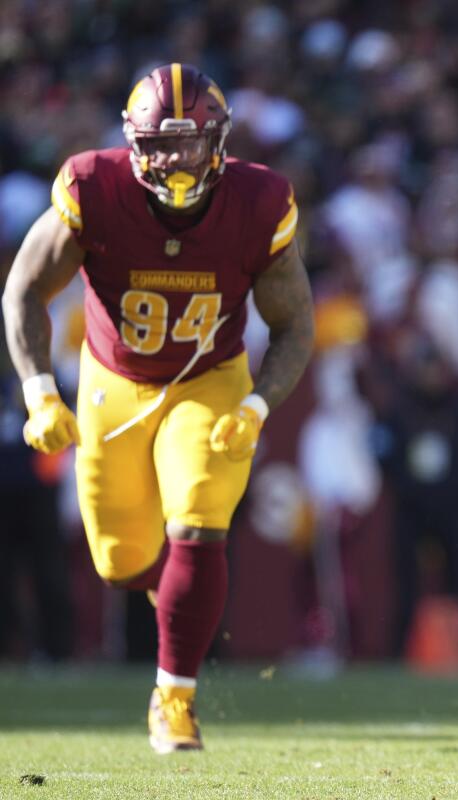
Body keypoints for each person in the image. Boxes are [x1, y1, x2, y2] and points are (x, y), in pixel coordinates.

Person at [1, 63, 314, 753]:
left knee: (200, 519)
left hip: (210, 379)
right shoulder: (94, 186)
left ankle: (174, 700)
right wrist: (39, 389)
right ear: (132, 143)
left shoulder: (258, 202)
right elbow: (23, 288)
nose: (174, 159)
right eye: (159, 143)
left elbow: (295, 324)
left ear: (220, 143)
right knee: (120, 562)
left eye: (190, 142)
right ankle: (172, 592)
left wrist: (260, 404)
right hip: (115, 382)